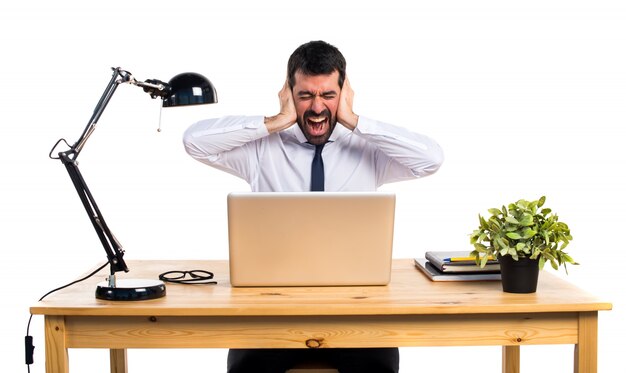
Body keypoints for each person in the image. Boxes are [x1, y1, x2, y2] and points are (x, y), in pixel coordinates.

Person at [183, 40, 444, 373]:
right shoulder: (261, 149)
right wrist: (277, 120)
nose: (317, 108)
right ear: (289, 94)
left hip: (356, 313)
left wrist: (353, 119)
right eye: (305, 95)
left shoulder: (369, 150)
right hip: (271, 314)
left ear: (344, 93)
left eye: (328, 96)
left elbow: (431, 159)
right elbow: (194, 142)